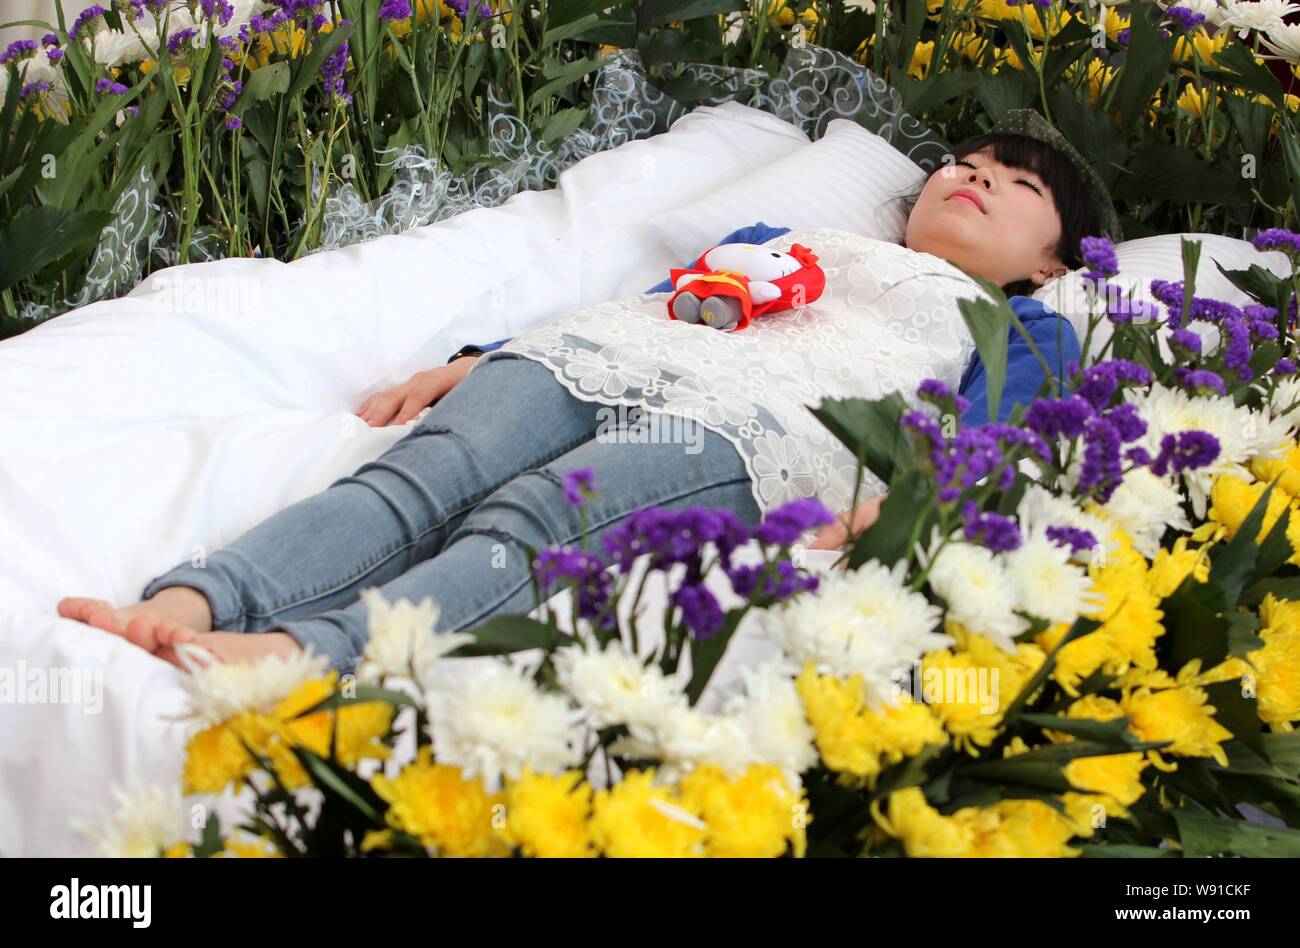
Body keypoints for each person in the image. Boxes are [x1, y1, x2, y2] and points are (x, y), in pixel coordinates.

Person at [57, 109, 1120, 673]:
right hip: (599, 352)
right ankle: (196, 598)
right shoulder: (785, 239)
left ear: (1053, 263)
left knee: (528, 523)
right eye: (965, 162)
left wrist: (904, 498)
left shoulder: (1018, 321)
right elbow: (654, 297)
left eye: (1016, 183)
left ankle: (304, 656)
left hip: (752, 425)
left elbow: (990, 427)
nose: (972, 176)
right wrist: (481, 354)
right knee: (425, 474)